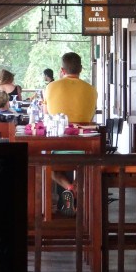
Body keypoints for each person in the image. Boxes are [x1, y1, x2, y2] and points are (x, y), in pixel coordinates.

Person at [44, 52, 98, 215]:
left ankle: (69, 187)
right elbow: (90, 117)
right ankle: (76, 187)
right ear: (81, 69)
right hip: (85, 148)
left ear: (62, 70)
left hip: (58, 144)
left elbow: (46, 115)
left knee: (47, 166)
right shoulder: (91, 90)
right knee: (87, 166)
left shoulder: (50, 87)